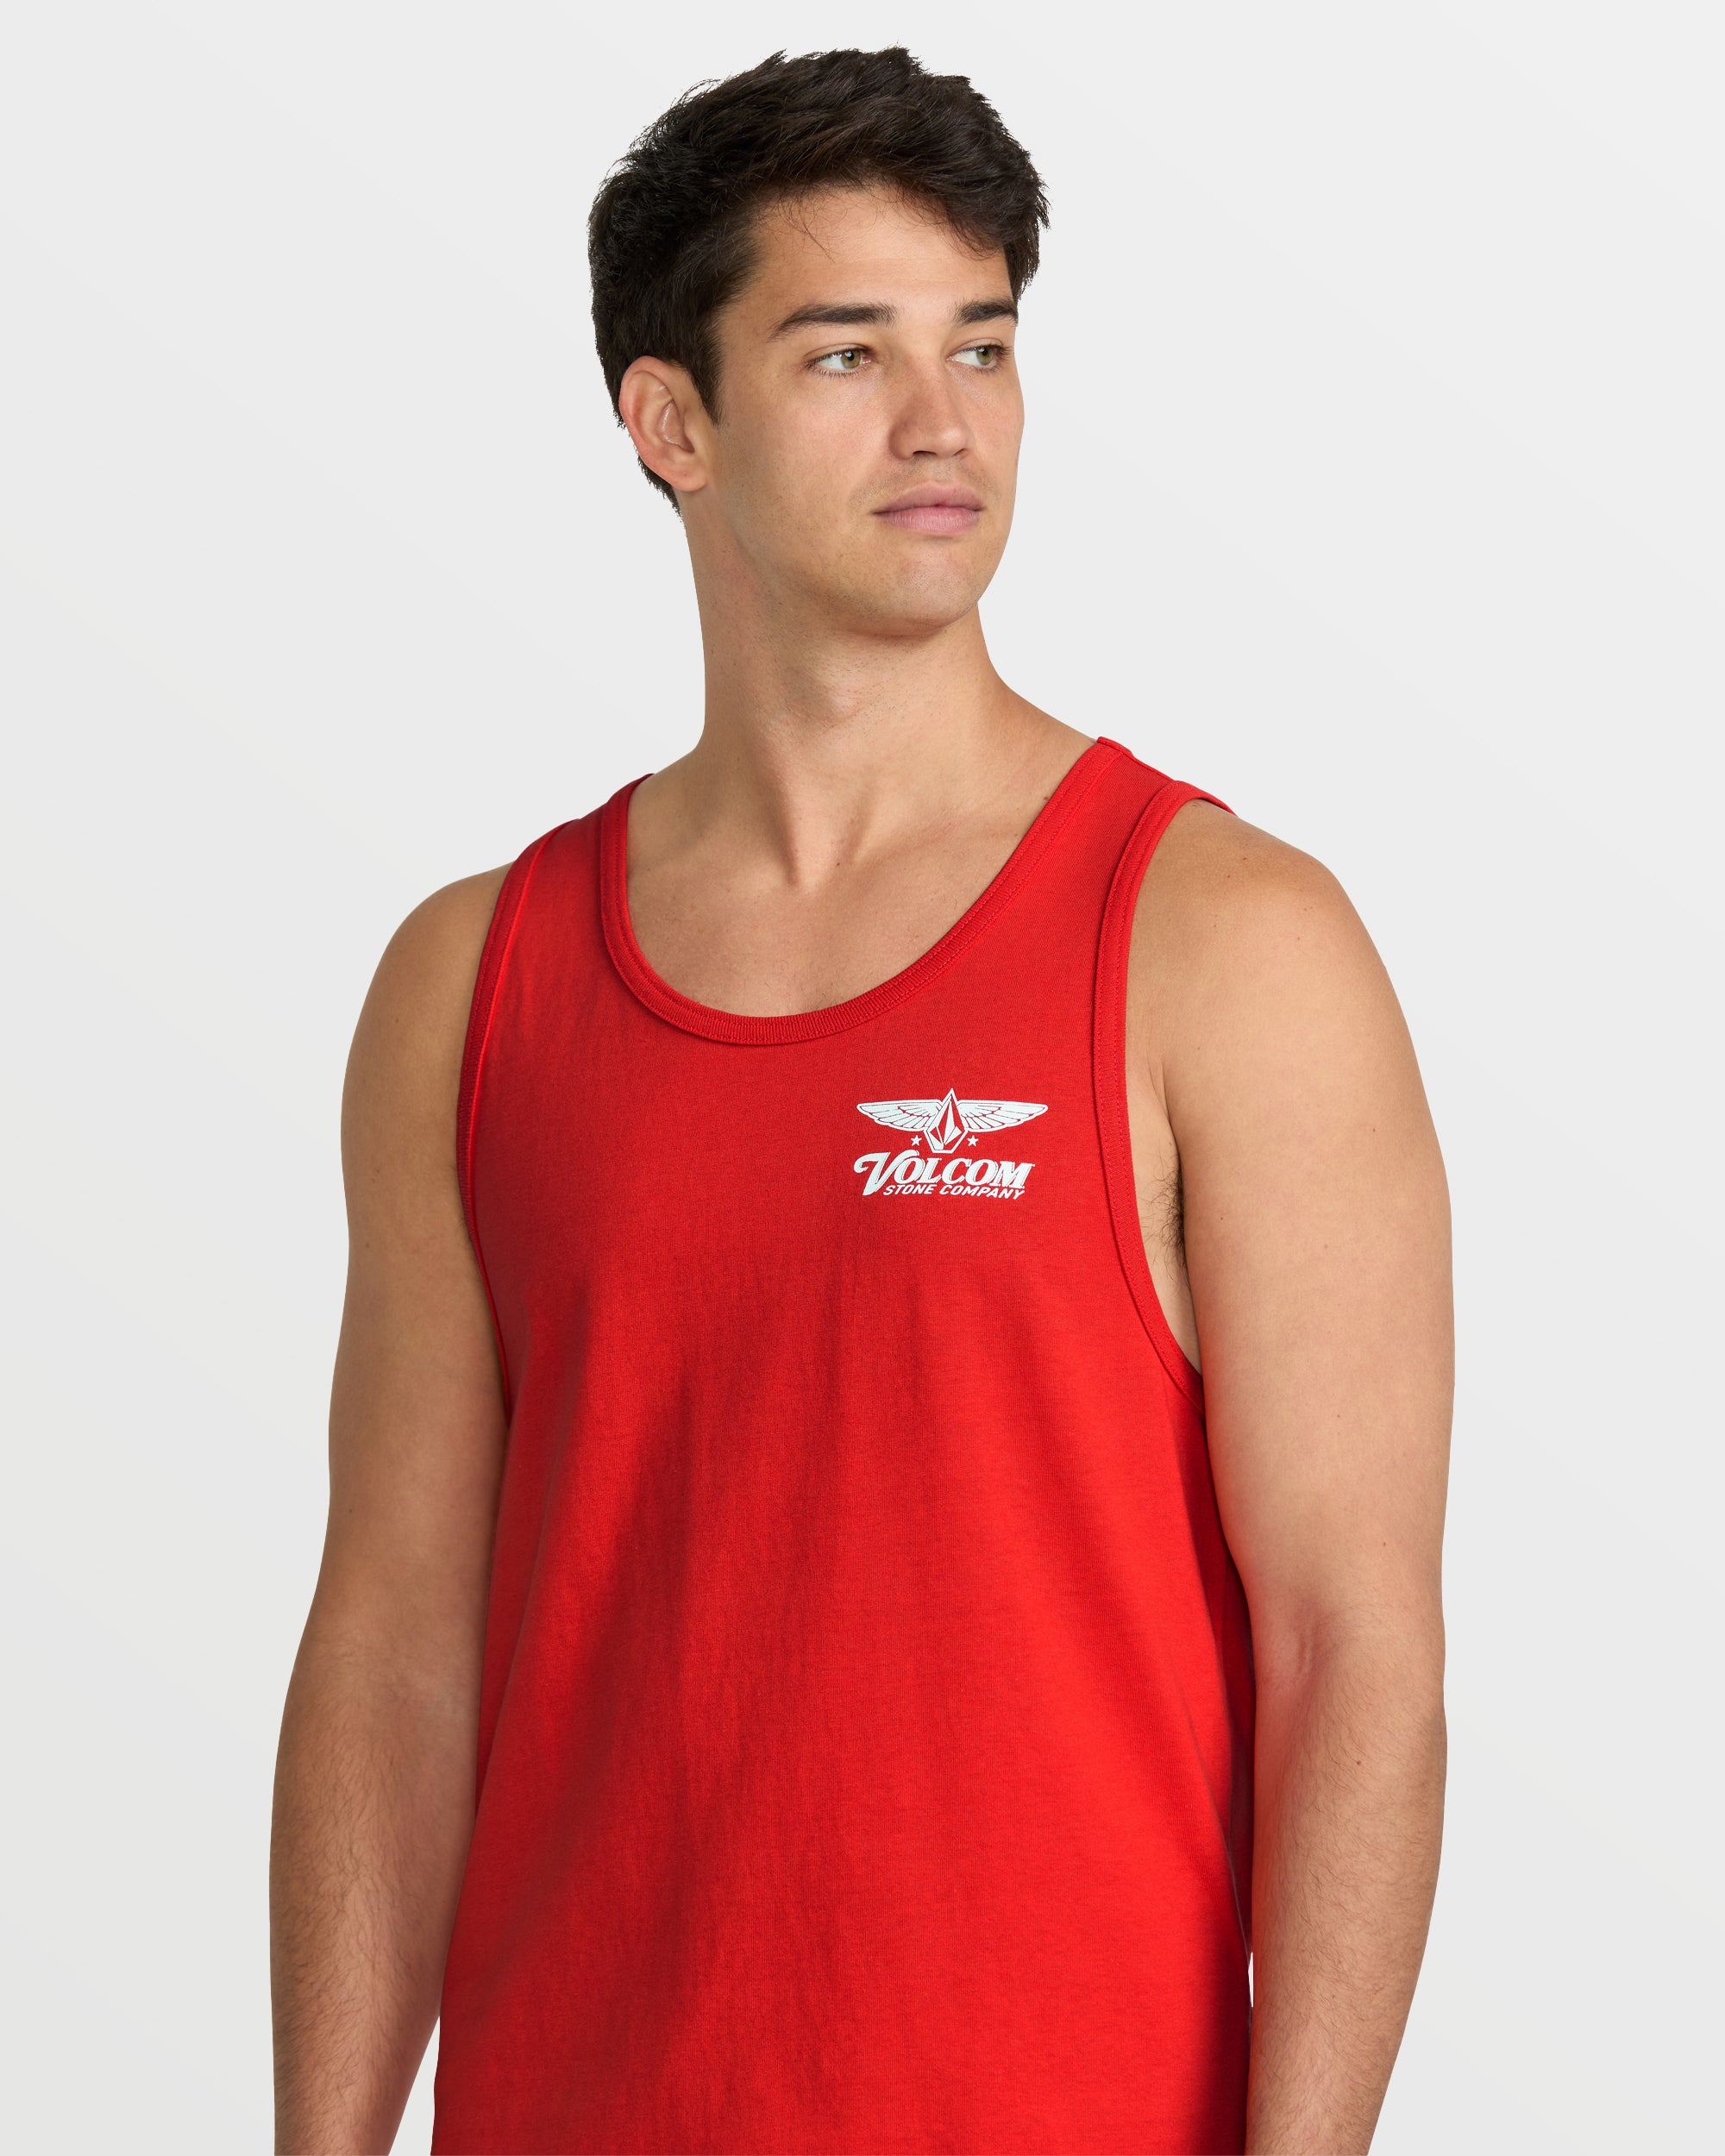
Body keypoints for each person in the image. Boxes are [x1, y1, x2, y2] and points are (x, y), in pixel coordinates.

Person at [269, 46, 1452, 2156]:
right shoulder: (474, 983)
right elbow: (393, 1645)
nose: (943, 424)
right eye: (848, 354)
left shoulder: (1224, 943)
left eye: (979, 346)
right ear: (672, 423)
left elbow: (1350, 1650)